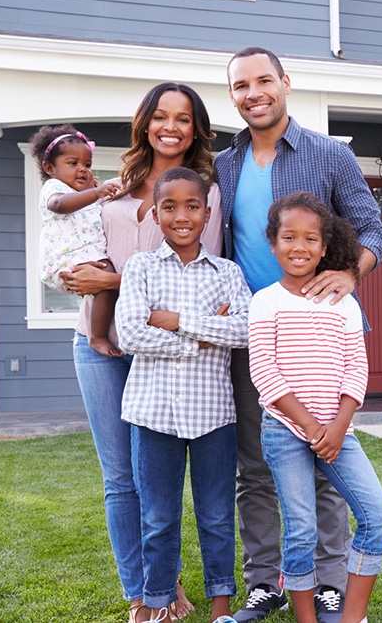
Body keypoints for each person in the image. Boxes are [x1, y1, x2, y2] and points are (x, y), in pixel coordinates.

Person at [214, 46, 382, 623]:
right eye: (241, 85)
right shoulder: (224, 163)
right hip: (256, 334)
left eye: (264, 80)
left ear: (285, 83)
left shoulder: (329, 154)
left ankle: (331, 582)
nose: (253, 93)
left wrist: (349, 270)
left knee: (327, 467)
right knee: (256, 467)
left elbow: (371, 228)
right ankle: (266, 582)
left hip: (322, 333)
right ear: (232, 96)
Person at [61, 81, 222, 623]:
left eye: (182, 118)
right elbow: (86, 251)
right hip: (97, 341)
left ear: (196, 127)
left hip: (162, 347)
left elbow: (199, 266)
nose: (170, 127)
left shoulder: (207, 191)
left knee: (158, 475)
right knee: (119, 478)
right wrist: (79, 275)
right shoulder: (115, 184)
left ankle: (163, 580)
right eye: (160, 116)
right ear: (144, 123)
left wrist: (110, 276)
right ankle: (145, 590)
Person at [249, 192, 382, 623]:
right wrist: (313, 427)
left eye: (310, 239)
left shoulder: (343, 302)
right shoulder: (266, 301)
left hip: (338, 431)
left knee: (378, 515)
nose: (299, 247)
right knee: (301, 530)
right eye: (288, 237)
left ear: (325, 247)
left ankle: (352, 618)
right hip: (285, 429)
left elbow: (356, 369)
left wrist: (338, 426)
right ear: (272, 244)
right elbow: (264, 372)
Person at [116, 167, 251, 623]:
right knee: (158, 518)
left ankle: (220, 607)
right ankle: (156, 604)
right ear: (155, 214)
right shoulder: (140, 267)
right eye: (169, 206)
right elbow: (132, 333)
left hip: (214, 414)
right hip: (153, 414)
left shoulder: (228, 272)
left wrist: (174, 320)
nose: (181, 215)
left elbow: (245, 330)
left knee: (215, 516)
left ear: (207, 212)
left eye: (192, 206)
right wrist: (207, 332)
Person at [30, 125, 121, 356]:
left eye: (87, 165)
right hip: (66, 257)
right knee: (106, 280)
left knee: (105, 281)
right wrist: (96, 192)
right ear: (50, 168)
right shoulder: (54, 188)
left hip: (85, 254)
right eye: (73, 164)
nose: (82, 170)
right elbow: (59, 205)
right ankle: (97, 336)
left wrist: (93, 193)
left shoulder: (84, 194)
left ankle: (99, 332)